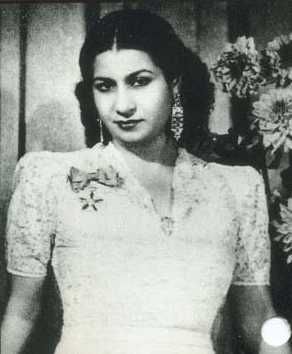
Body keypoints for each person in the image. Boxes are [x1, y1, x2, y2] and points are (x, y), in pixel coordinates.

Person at [0, 8, 291, 354]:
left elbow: (259, 321)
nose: (123, 105)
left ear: (174, 84)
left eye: (139, 81)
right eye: (105, 86)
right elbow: (21, 314)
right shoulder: (48, 179)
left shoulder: (237, 188)